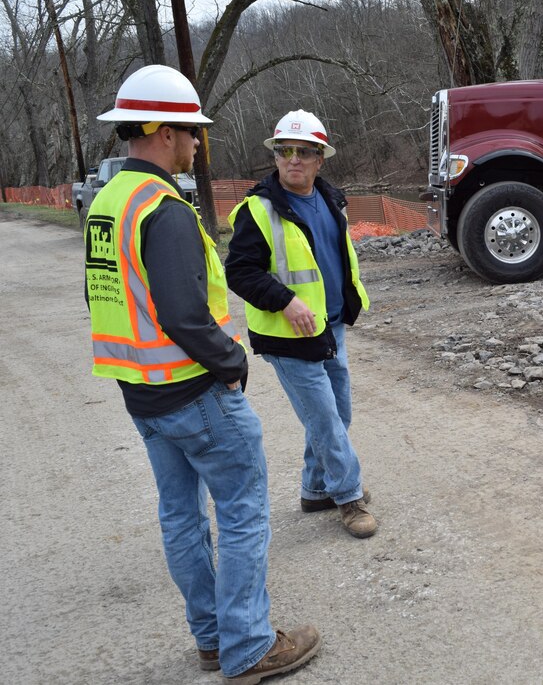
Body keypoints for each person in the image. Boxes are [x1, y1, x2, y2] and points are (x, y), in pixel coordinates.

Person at [84, 65, 320, 684]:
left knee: (180, 516)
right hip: (196, 393)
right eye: (191, 132)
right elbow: (185, 313)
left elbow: (107, 297)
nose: (195, 144)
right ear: (163, 131)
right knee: (242, 512)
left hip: (142, 396)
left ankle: (215, 639)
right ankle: (247, 647)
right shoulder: (163, 209)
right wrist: (233, 361)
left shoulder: (107, 203)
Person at [225, 110, 375, 539]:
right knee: (326, 418)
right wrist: (286, 302)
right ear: (275, 156)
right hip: (287, 336)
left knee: (335, 412)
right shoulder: (257, 210)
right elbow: (240, 271)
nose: (294, 159)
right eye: (285, 151)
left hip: (329, 327)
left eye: (304, 153)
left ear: (319, 159)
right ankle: (348, 498)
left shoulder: (331, 199)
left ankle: (315, 490)